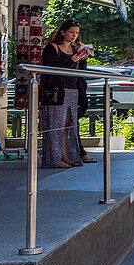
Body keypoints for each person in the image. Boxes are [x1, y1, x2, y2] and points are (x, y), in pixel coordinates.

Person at [40, 20, 91, 168]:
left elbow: (80, 71)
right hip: (57, 91)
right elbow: (52, 70)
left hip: (73, 89)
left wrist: (82, 58)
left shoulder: (75, 50)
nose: (74, 35)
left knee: (68, 125)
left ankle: (65, 156)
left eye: (76, 33)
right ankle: (54, 159)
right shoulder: (52, 48)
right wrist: (72, 60)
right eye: (71, 32)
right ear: (63, 32)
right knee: (56, 124)